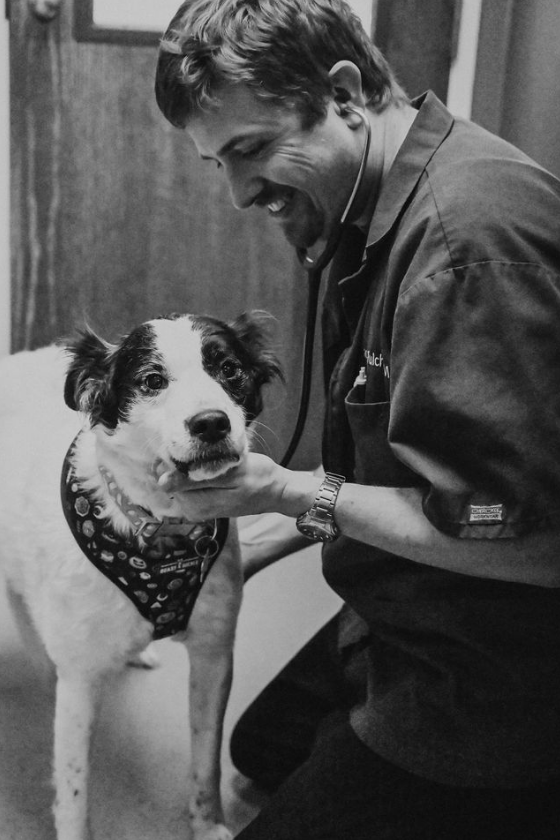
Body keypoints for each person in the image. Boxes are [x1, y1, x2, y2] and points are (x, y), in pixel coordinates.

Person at [154, 1, 560, 837]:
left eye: (251, 149)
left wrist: (291, 492)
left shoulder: (461, 253)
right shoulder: (370, 203)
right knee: (262, 748)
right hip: (396, 606)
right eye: (217, 163)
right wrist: (260, 535)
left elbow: (529, 538)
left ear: (343, 94)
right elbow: (397, 451)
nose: (238, 193)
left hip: (495, 676)